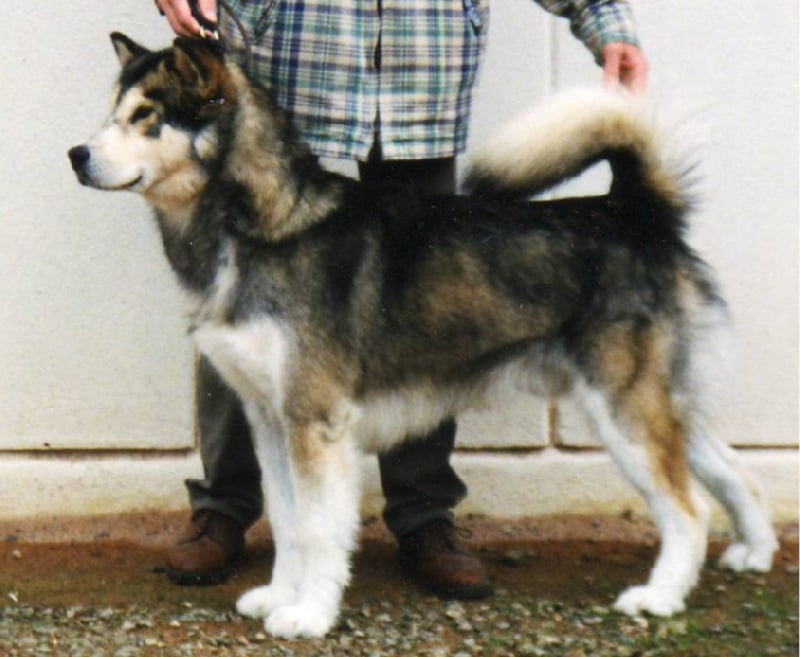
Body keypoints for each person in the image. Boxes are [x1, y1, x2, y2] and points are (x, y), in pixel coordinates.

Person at [155, 0, 648, 599]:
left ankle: (423, 518)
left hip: (424, 68)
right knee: (244, 302)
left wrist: (606, 23)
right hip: (294, 60)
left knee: (427, 310)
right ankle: (225, 507)